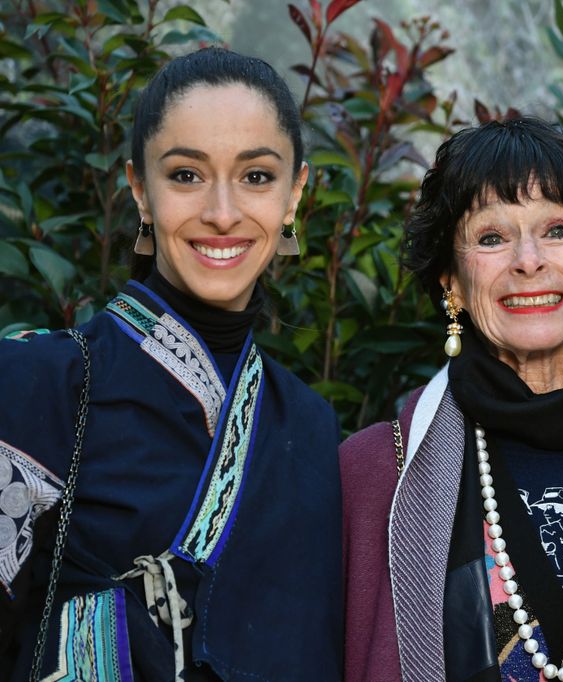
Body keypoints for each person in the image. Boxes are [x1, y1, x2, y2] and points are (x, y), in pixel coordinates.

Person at [0, 48, 344, 680]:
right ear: (140, 190)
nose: (221, 212)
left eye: (257, 177)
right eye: (186, 175)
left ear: (295, 195)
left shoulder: (314, 429)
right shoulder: (36, 385)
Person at [340, 117, 563, 681]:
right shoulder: (373, 474)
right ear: (451, 282)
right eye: (491, 238)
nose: (528, 260)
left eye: (556, 230)